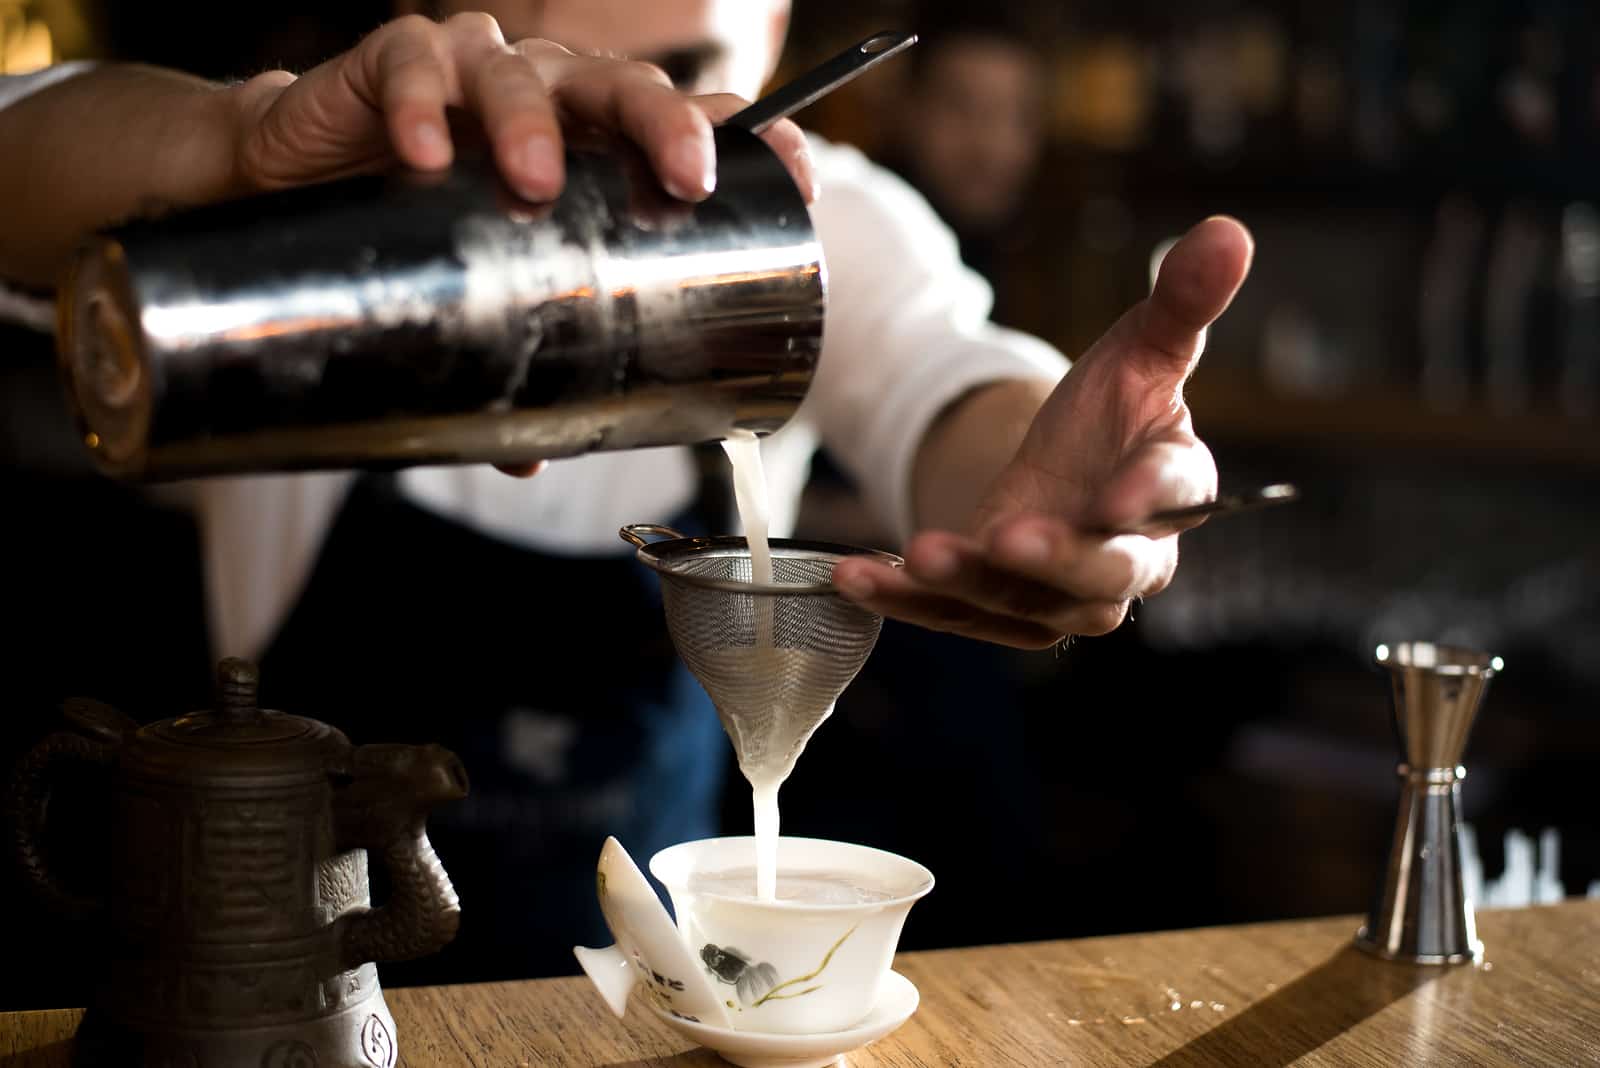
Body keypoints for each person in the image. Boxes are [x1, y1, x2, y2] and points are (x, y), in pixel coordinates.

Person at [0, 2, 1252, 1003]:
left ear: (771, 51)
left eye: (681, 75)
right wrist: (233, 153)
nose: (606, 168)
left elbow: (957, 378)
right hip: (291, 1016)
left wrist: (1061, 476)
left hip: (649, 1027)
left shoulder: (812, 210)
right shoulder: (329, 221)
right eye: (542, 79)